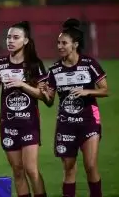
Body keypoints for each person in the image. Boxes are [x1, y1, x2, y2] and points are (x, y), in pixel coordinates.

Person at [40, 18, 108, 197]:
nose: (60, 46)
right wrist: (43, 92)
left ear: (75, 44)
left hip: (89, 121)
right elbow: (49, 101)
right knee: (69, 169)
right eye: (58, 43)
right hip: (66, 124)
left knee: (91, 166)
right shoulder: (54, 70)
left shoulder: (89, 64)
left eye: (64, 43)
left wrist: (87, 92)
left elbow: (105, 90)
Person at [0, 21, 47, 197]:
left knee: (31, 169)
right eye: (8, 37)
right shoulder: (0, 65)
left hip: (29, 123)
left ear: (26, 41)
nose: (10, 41)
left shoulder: (34, 64)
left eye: (15, 37)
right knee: (18, 171)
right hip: (8, 124)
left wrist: (23, 85)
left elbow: (43, 95)